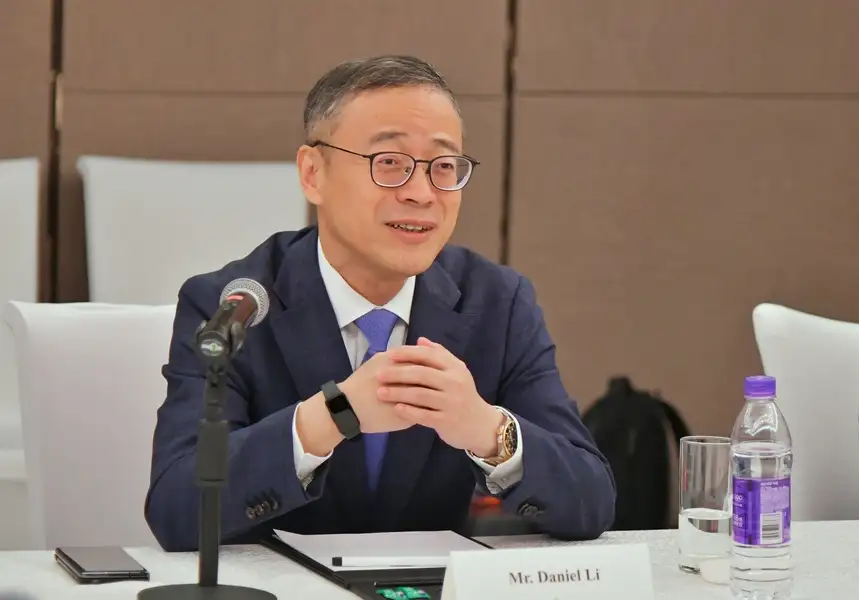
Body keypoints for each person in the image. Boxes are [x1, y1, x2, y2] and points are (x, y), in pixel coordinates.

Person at [145, 55, 616, 552]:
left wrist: (486, 428)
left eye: (443, 166)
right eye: (389, 163)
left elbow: (592, 501)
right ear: (313, 173)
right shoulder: (236, 306)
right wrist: (334, 416)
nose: (421, 193)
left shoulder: (497, 303)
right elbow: (178, 510)